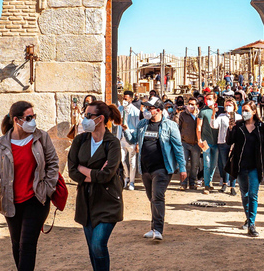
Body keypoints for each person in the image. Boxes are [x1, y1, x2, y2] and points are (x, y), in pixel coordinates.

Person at [0, 101, 59, 271]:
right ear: (17, 120)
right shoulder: (1, 143)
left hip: (37, 199)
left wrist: (48, 188)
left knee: (27, 243)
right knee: (16, 244)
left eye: (34, 117)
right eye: (29, 117)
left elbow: (53, 162)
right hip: (11, 201)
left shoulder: (41, 137)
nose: (33, 121)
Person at [68, 101, 124, 271]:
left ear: (100, 119)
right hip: (86, 200)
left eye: (88, 115)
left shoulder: (112, 143)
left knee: (98, 244)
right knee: (92, 248)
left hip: (108, 201)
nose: (85, 119)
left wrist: (83, 168)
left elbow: (107, 175)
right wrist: (93, 174)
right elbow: (72, 171)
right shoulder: (80, 140)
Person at [123, 97, 186, 241]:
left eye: (149, 108)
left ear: (158, 110)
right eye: (146, 108)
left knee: (157, 196)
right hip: (145, 168)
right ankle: (153, 228)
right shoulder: (142, 124)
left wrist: (182, 168)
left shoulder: (170, 125)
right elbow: (133, 140)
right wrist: (126, 129)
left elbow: (178, 148)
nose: (146, 111)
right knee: (152, 198)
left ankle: (158, 229)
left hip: (162, 168)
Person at [227, 101, 264, 236]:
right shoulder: (238, 125)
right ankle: (248, 218)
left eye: (247, 110)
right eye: (243, 110)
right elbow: (230, 141)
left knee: (253, 194)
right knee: (245, 194)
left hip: (255, 166)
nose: (244, 112)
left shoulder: (262, 127)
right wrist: (230, 129)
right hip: (240, 165)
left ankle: (251, 224)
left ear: (254, 111)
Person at [210, 96, 240, 195]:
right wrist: (213, 114)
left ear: (234, 106)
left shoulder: (239, 117)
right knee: (224, 164)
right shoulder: (221, 116)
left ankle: (232, 185)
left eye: (230, 105)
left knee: (233, 164)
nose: (228, 107)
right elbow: (214, 126)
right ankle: (224, 183)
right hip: (222, 142)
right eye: (226, 105)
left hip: (234, 143)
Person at [177, 97, 200, 190]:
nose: (190, 106)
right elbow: (178, 128)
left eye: (193, 104)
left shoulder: (200, 115)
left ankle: (192, 183)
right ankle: (183, 183)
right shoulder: (182, 115)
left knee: (195, 165)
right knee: (183, 164)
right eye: (189, 104)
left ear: (197, 105)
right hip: (184, 143)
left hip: (196, 144)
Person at [197, 92, 218, 194]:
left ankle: (209, 181)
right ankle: (206, 185)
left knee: (213, 164)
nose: (208, 100)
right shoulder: (202, 111)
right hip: (206, 142)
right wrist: (199, 139)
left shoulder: (220, 111)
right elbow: (199, 126)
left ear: (215, 99)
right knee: (207, 164)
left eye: (210, 98)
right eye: (207, 98)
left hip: (217, 142)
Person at [119, 90, 140, 190]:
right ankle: (126, 177)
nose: (124, 100)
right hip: (121, 138)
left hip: (131, 139)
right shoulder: (120, 109)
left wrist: (137, 142)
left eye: (126, 99)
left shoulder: (136, 111)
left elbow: (137, 127)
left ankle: (132, 182)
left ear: (130, 99)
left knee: (132, 162)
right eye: (123, 98)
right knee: (122, 160)